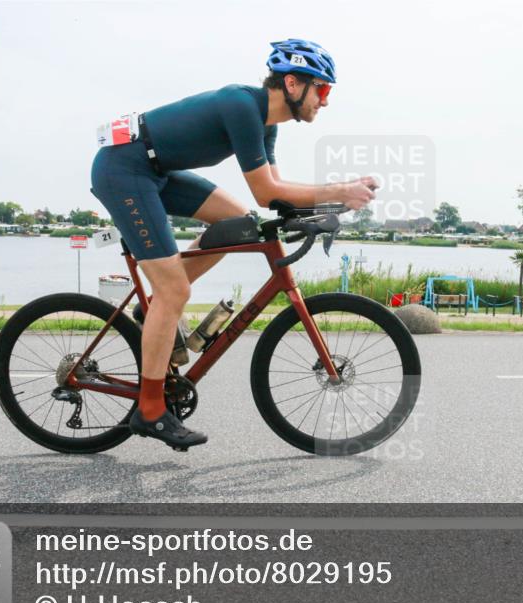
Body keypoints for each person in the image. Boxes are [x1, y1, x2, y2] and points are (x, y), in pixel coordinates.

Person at [90, 39, 377, 450]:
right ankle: (150, 410)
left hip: (154, 170)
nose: (325, 101)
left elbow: (273, 194)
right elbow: (265, 190)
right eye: (324, 90)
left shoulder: (267, 124)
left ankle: (152, 307)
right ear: (293, 84)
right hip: (124, 168)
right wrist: (339, 189)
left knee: (236, 222)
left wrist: (332, 203)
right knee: (176, 289)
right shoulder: (243, 105)